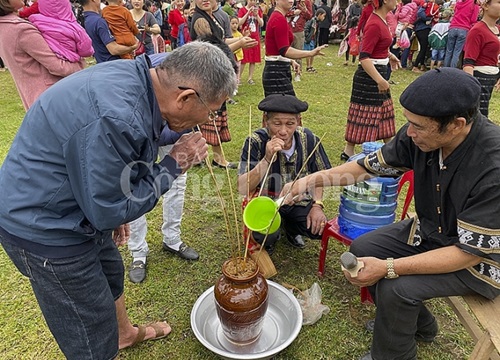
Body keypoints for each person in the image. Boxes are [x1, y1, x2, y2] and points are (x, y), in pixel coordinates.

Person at [0, 42, 237, 359]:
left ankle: (124, 334)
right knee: (90, 331)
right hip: (44, 225)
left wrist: (112, 209)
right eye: (212, 110)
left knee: (111, 273)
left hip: (75, 203)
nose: (210, 119)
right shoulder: (118, 116)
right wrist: (173, 164)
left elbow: (121, 159)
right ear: (186, 98)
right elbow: (108, 207)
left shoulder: (140, 78)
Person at [281, 68, 500, 360]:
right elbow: (364, 167)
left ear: (457, 125)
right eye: (409, 123)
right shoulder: (421, 135)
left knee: (397, 286)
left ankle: (393, 354)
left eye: (418, 126)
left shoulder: (493, 166)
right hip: (430, 231)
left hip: (477, 260)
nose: (409, 133)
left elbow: (468, 253)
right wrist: (311, 180)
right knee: (363, 249)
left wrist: (389, 268)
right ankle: (418, 326)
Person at [237, 93, 331, 254]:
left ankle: (292, 229)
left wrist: (317, 205)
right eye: (276, 123)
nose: (283, 131)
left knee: (318, 229)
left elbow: (321, 175)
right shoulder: (255, 142)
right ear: (265, 121)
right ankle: (271, 235)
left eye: (290, 124)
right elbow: (242, 188)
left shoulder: (309, 139)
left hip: (298, 201)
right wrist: (266, 159)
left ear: (299, 122)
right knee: (263, 234)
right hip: (267, 202)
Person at [189, 0, 257, 169]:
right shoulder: (200, 20)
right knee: (208, 114)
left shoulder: (212, 16)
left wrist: (239, 40)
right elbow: (212, 48)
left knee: (214, 114)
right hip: (206, 73)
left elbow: (221, 41)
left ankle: (214, 158)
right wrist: (239, 44)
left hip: (213, 71)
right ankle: (203, 157)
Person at [341, 0, 400, 161]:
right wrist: (380, 80)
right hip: (369, 77)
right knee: (364, 114)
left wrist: (390, 55)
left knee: (384, 113)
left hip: (377, 72)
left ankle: (391, 151)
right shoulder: (374, 23)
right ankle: (349, 150)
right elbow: (364, 56)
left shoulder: (382, 20)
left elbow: (378, 46)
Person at [0, 0, 85, 111]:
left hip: (36, 101)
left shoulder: (5, 26)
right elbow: (59, 67)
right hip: (55, 101)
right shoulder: (21, 29)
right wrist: (81, 64)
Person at [262, 0, 327, 96]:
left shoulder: (281, 17)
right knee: (287, 108)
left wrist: (290, 61)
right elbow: (285, 50)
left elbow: (276, 49)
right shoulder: (278, 18)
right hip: (276, 72)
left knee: (281, 108)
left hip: (277, 69)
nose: (291, 0)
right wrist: (310, 53)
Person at [462, 0, 500, 117]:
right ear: (486, 5)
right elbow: (468, 61)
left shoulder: (497, 29)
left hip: (491, 78)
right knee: (478, 116)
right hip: (479, 78)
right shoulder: (477, 30)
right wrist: (470, 87)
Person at [26, 0, 94, 62]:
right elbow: (86, 51)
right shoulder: (75, 28)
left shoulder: (36, 22)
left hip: (48, 60)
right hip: (70, 61)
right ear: (67, 6)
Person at [444, 0, 480, 68]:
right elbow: (473, 19)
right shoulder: (474, 4)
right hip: (464, 28)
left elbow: (454, 13)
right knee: (457, 52)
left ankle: (445, 69)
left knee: (449, 51)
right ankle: (452, 70)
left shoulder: (459, 3)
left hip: (453, 26)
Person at [238, 0, 263, 84]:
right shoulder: (242, 10)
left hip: (255, 36)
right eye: (251, 0)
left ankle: (250, 78)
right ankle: (239, 78)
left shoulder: (258, 10)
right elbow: (240, 22)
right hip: (246, 36)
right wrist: (247, 13)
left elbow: (262, 24)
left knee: (253, 58)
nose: (253, 2)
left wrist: (257, 15)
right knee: (244, 58)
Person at [287, 0, 312, 81]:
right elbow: (283, 12)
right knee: (287, 52)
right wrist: (293, 13)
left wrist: (305, 10)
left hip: (299, 30)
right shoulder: (290, 1)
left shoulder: (306, 2)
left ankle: (298, 73)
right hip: (288, 29)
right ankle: (287, 72)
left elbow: (309, 16)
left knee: (298, 52)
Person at [303, 7, 326, 72]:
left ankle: (311, 66)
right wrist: (307, 36)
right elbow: (306, 28)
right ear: (319, 14)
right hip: (309, 39)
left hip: (313, 39)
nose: (323, 18)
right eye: (323, 16)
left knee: (313, 52)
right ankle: (308, 67)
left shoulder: (317, 22)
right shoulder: (312, 20)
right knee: (308, 53)